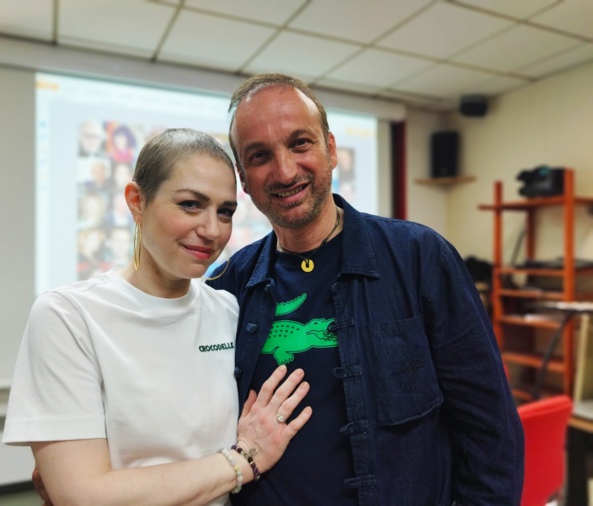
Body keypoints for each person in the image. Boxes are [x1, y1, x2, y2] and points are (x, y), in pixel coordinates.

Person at [203, 73, 524, 505]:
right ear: (244, 178)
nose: (284, 170)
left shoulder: (420, 259)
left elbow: (491, 435)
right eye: (260, 156)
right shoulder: (227, 286)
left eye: (300, 143)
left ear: (331, 150)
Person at [4, 128, 312, 506]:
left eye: (225, 212)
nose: (212, 230)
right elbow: (84, 496)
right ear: (137, 202)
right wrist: (244, 459)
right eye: (190, 204)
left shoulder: (230, 312)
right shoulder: (69, 316)